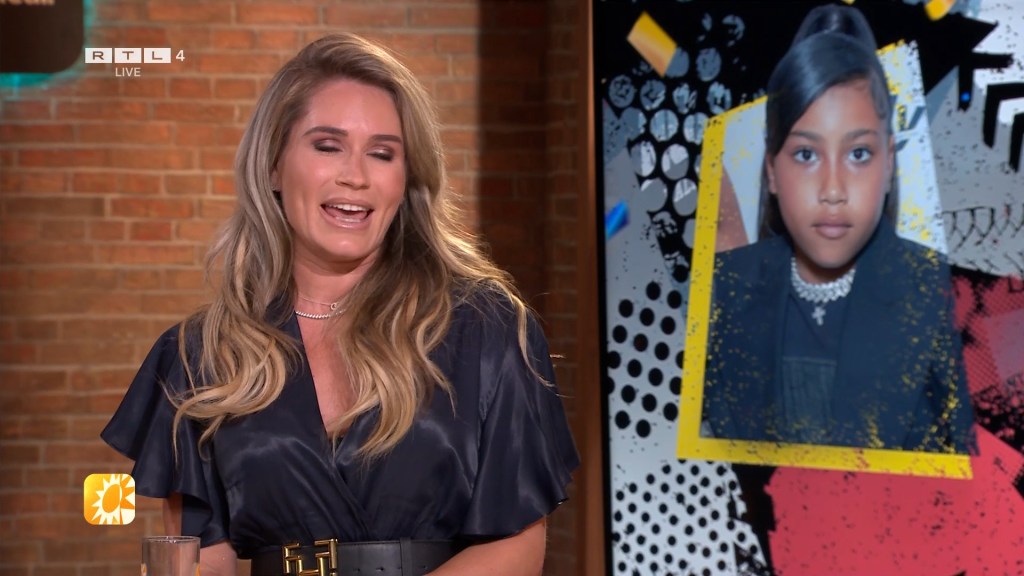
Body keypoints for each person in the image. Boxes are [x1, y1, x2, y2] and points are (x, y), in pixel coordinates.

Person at [101, 33, 580, 576]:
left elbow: (515, 549)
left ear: (406, 180)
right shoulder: (198, 356)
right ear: (273, 166)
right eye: (327, 146)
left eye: (382, 153)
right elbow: (202, 560)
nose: (356, 175)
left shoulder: (485, 327)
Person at [699, 5, 973, 453]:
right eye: (806, 154)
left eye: (858, 154)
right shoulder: (725, 291)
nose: (832, 190)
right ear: (772, 169)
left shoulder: (944, 299)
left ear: (888, 163)